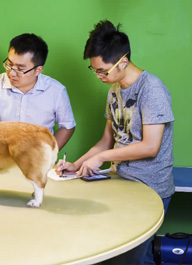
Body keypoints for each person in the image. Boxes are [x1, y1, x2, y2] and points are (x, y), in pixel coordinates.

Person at [56, 20, 175, 264]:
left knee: (132, 258)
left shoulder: (152, 89)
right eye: (94, 70)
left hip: (150, 187)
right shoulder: (114, 90)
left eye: (103, 70)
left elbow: (151, 147)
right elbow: (106, 141)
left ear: (122, 61)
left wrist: (101, 158)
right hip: (121, 182)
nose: (99, 76)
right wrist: (77, 165)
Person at [0, 33, 76, 150]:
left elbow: (68, 126)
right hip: (2, 156)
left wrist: (48, 153)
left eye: (20, 69)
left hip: (38, 156)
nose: (12, 73)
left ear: (38, 70)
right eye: (9, 64)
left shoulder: (56, 91)